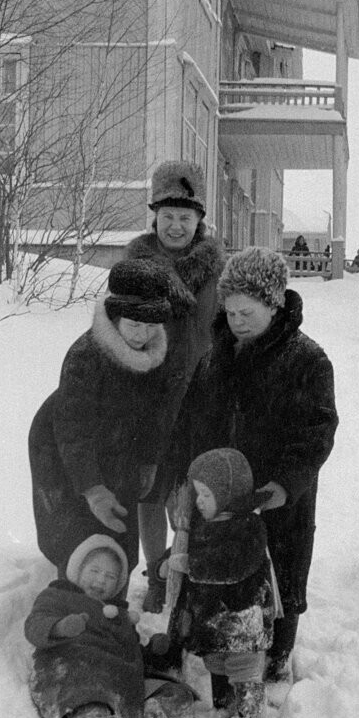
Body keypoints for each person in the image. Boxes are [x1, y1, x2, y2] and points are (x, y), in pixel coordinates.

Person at [161, 246, 338, 690]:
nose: (236, 320)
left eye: (247, 311)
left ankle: (278, 656)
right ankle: (223, 659)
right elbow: (188, 422)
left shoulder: (306, 360)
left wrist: (284, 484)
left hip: (277, 496)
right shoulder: (215, 356)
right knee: (222, 572)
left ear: (274, 304)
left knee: (283, 571)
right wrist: (181, 476)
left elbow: (317, 430)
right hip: (218, 493)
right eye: (230, 311)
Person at [28, 258, 174, 579]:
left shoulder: (155, 353)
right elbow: (73, 431)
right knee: (78, 542)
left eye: (151, 326)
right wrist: (93, 490)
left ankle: (113, 614)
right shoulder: (85, 356)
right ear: (114, 315)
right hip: (61, 448)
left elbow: (155, 415)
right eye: (134, 325)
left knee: (120, 536)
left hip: (120, 448)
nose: (142, 335)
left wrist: (149, 461)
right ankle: (74, 608)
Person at [123, 160, 225, 611]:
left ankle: (181, 574)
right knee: (149, 490)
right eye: (168, 216)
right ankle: (156, 576)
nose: (176, 226)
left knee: (185, 496)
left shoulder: (217, 271)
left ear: (200, 220)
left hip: (199, 399)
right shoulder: (135, 266)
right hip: (147, 397)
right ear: (155, 217)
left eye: (186, 217)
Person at [24, 535, 196, 718]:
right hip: (73, 667)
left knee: (178, 694)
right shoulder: (58, 595)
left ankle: (149, 716)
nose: (100, 580)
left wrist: (154, 651)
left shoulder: (120, 616)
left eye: (110, 576)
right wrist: (61, 627)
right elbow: (35, 625)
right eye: (94, 571)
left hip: (115, 678)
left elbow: (131, 655)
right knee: (90, 697)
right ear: (78, 569)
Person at [167, 448, 276, 718]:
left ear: (228, 492)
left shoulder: (249, 527)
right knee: (216, 661)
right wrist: (162, 566)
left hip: (244, 616)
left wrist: (191, 564)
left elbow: (231, 565)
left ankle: (252, 715)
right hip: (213, 618)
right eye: (198, 494)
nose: (199, 502)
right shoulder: (202, 525)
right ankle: (223, 704)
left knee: (243, 667)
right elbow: (184, 554)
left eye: (206, 494)